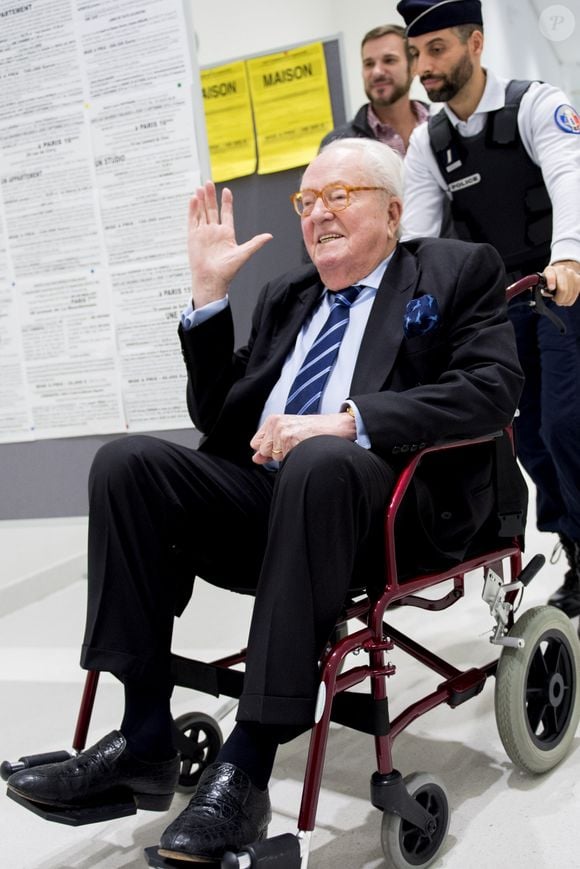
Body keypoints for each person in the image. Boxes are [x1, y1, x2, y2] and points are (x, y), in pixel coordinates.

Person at [6, 138, 526, 864]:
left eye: (337, 195)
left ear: (393, 211)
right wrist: (209, 297)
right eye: (306, 202)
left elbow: (492, 388)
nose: (317, 213)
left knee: (319, 461)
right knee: (126, 463)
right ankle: (143, 736)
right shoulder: (290, 295)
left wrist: (347, 420)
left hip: (385, 508)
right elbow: (220, 417)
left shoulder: (456, 269)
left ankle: (248, 763)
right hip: (271, 498)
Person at [398, 0, 580, 617]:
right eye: (417, 53)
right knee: (528, 439)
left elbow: (569, 175)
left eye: (438, 49)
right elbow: (418, 240)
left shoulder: (534, 103)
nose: (424, 66)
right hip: (501, 307)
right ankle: (575, 546)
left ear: (475, 44)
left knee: (565, 425)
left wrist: (571, 259)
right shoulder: (430, 140)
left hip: (561, 290)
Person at [320, 24, 429, 155]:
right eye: (369, 64)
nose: (377, 72)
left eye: (389, 60)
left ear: (413, 67)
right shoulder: (339, 145)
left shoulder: (444, 125)